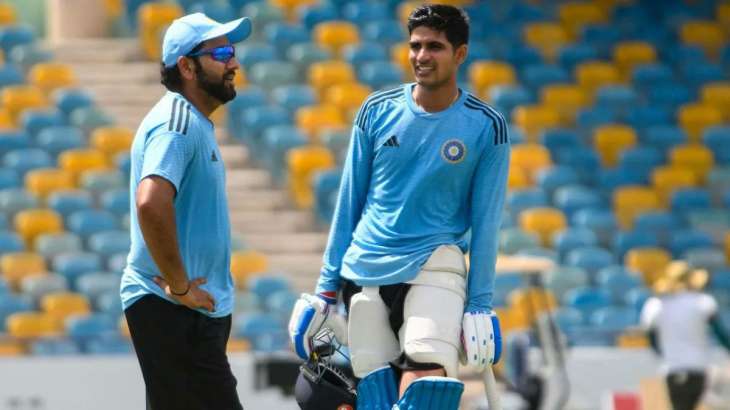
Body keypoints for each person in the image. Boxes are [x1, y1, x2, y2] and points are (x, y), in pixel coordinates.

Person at [289, 4, 510, 409]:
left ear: (460, 54)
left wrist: (479, 302)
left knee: (425, 390)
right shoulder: (376, 111)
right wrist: (325, 288)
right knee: (375, 400)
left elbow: (487, 222)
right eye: (415, 46)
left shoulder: (486, 125)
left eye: (435, 47)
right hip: (364, 273)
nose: (422, 56)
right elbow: (349, 202)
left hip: (434, 267)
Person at [120, 12, 250, 410]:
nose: (234, 63)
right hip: (174, 309)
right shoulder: (178, 123)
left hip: (185, 312)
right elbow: (151, 202)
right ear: (187, 66)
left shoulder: (193, 122)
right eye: (223, 53)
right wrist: (179, 286)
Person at [641, 261, 730, 410]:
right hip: (698, 367)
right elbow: (720, 333)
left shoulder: (657, 305)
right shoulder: (702, 302)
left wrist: (662, 353)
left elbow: (651, 336)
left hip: (673, 367)